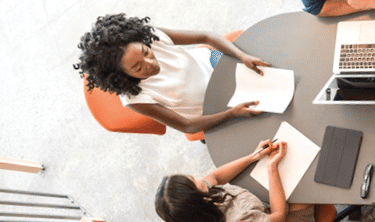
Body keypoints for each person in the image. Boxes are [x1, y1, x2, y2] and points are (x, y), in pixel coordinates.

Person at [74, 13, 270, 134]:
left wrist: (241, 55)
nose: (151, 63)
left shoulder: (151, 37)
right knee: (262, 124)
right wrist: (231, 114)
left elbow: (205, 36)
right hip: (212, 108)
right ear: (122, 76)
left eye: (146, 52)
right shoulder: (135, 98)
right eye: (138, 68)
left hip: (211, 63)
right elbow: (186, 126)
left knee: (269, 73)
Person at [155, 139, 317, 222]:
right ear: (199, 200)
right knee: (303, 183)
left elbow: (215, 177)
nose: (197, 178)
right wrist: (271, 168)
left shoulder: (200, 211)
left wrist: (253, 157)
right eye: (193, 180)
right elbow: (279, 217)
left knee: (285, 179)